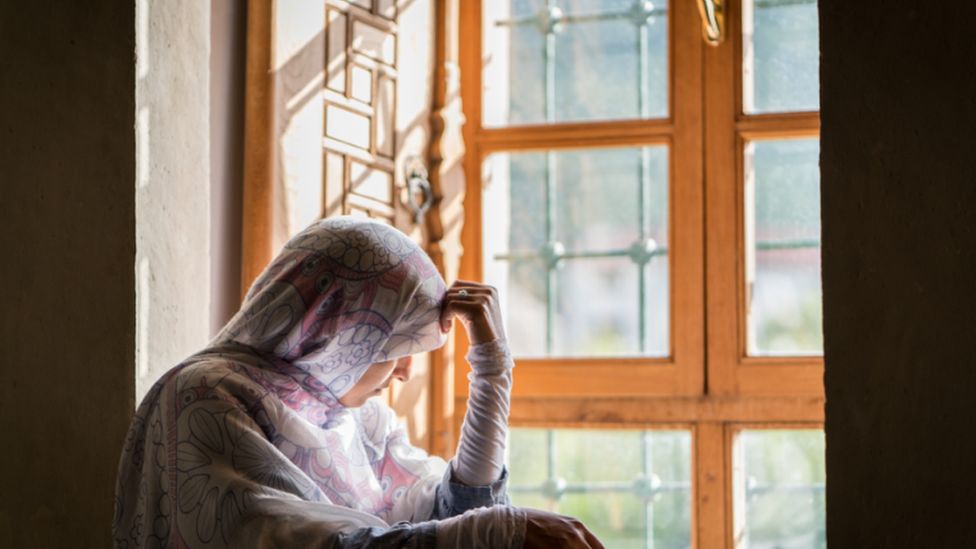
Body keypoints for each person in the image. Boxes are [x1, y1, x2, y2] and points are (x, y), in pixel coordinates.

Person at [113, 217, 603, 548]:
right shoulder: (204, 396)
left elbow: (453, 510)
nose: (406, 373)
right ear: (333, 329)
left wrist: (493, 373)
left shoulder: (355, 421)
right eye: (393, 353)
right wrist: (497, 532)